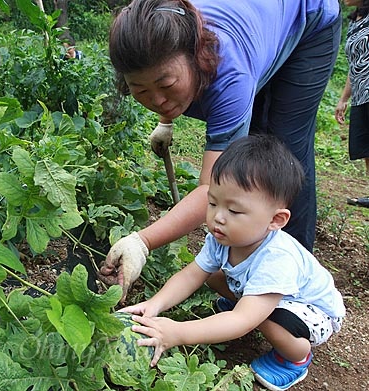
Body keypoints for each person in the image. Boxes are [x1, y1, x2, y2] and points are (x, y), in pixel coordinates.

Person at [99, 0, 342, 302]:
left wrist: (142, 241)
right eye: (142, 91)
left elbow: (210, 187)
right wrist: (167, 121)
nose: (158, 100)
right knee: (247, 164)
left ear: (196, 56)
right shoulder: (161, 37)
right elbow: (157, 79)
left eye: (167, 85)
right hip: (256, 30)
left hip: (307, 18)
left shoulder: (230, 75)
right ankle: (245, 269)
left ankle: (290, 292)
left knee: (280, 157)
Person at [119, 135, 346, 391]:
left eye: (234, 211)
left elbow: (242, 321)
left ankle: (295, 358)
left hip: (313, 311)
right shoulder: (222, 238)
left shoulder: (278, 258)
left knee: (262, 316)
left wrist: (178, 332)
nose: (218, 218)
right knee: (212, 275)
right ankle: (248, 302)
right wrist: (154, 304)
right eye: (213, 203)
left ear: (276, 220)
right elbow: (191, 274)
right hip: (269, 293)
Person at [334, 0, 369, 208]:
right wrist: (343, 98)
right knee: (364, 148)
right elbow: (354, 64)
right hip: (360, 94)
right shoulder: (355, 22)